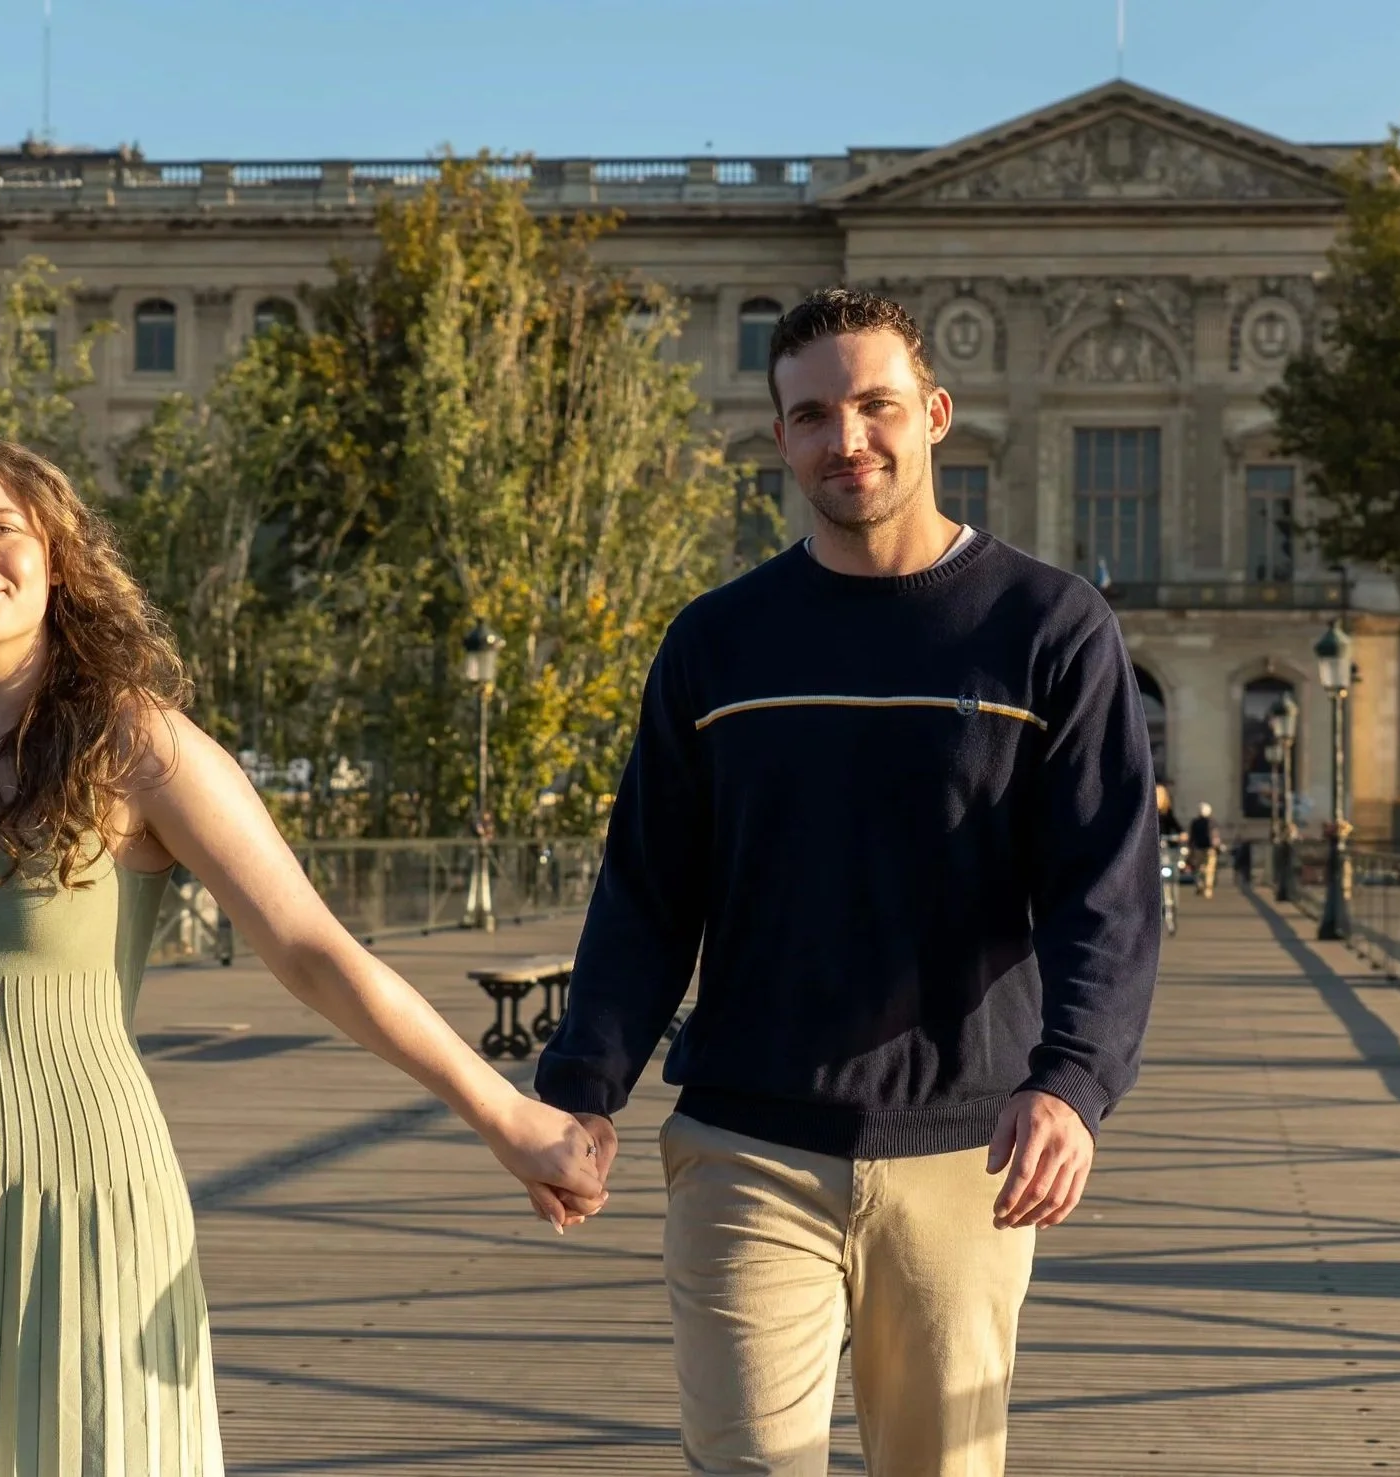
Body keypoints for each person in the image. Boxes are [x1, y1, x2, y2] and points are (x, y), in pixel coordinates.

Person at [0, 431, 607, 1476]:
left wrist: (506, 1113)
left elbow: (308, 948)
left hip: (70, 1199)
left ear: (57, 558)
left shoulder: (130, 743)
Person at [536, 289, 1160, 1477]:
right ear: (779, 438)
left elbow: (1106, 888)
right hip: (744, 1137)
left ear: (932, 415)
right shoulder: (716, 643)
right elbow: (648, 889)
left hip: (963, 1148)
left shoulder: (1048, 626)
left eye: (874, 406)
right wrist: (582, 1086)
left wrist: (1073, 1082)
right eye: (812, 414)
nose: (846, 439)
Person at [1187, 801, 1221, 898]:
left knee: (1198, 868)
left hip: (1197, 847)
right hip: (1210, 848)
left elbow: (1192, 837)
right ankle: (1208, 889)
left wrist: (1190, 848)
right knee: (1210, 869)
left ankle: (1199, 883)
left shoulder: (1195, 822)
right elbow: (1215, 836)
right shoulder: (1213, 822)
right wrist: (1217, 847)